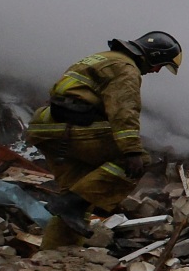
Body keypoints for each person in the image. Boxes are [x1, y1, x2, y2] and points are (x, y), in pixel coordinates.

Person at [27, 32, 181, 248]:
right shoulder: (126, 69)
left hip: (49, 128)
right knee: (135, 162)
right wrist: (132, 151)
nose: (156, 71)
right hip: (73, 128)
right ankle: (70, 204)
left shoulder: (103, 58)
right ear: (153, 55)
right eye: (160, 65)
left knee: (79, 201)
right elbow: (124, 111)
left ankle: (54, 256)